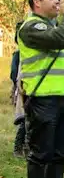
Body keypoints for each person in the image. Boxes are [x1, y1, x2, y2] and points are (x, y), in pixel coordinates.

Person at [17, 0, 64, 178]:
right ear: (36, 3)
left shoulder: (51, 26)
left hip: (60, 98)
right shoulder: (32, 27)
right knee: (41, 151)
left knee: (61, 149)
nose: (57, 1)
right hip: (41, 99)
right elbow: (62, 39)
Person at [10, 21, 25, 158]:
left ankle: (27, 147)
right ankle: (18, 148)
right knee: (25, 119)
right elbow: (13, 74)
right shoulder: (18, 55)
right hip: (22, 89)